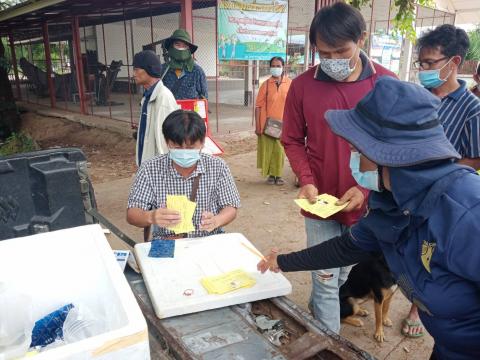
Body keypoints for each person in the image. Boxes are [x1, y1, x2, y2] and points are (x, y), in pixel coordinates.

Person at [258, 76, 480, 360]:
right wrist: (282, 262)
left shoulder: (468, 214)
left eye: (356, 149)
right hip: (448, 345)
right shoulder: (392, 205)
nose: (352, 157)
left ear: (383, 155)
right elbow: (345, 247)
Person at [281, 2, 396, 333]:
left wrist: (363, 188)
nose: (331, 61)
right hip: (320, 205)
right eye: (323, 53)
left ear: (362, 39)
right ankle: (327, 346)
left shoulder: (386, 85)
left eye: (340, 51)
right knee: (327, 280)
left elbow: (393, 148)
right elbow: (291, 139)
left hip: (369, 205)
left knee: (345, 272)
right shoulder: (303, 86)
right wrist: (306, 180)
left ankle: (318, 312)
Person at [402, 24, 480, 338]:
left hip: (442, 201)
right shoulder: (419, 98)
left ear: (454, 62)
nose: (423, 70)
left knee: (430, 257)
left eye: (429, 63)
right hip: (410, 193)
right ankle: (410, 294)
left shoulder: (472, 110)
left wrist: (436, 169)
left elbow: (475, 159)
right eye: (420, 63)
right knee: (407, 250)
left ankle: (416, 310)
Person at [127, 109, 240, 239]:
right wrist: (150, 216)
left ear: (203, 142)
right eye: (178, 147)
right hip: (168, 241)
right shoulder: (149, 169)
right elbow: (132, 214)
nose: (184, 153)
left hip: (208, 239)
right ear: (167, 142)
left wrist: (216, 220)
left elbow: (231, 207)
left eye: (191, 148)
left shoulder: (218, 166)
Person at [132, 50, 178, 166]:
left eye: (137, 70)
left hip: (158, 169)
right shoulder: (148, 96)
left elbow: (164, 140)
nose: (134, 74)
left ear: (149, 70)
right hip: (148, 165)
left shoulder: (163, 98)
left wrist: (163, 171)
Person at [255, 57, 292, 185]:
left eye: (278, 65)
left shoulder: (290, 84)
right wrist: (258, 126)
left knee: (279, 150)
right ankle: (271, 175)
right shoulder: (265, 85)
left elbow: (294, 105)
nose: (276, 68)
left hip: (283, 124)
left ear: (283, 67)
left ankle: (278, 175)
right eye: (273, 65)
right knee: (268, 150)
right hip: (267, 124)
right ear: (270, 67)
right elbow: (258, 107)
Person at [160, 29, 208, 101]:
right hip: (168, 111)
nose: (181, 48)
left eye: (184, 45)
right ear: (171, 47)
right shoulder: (163, 69)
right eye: (177, 44)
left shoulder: (197, 71)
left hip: (191, 111)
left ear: (188, 49)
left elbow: (204, 97)